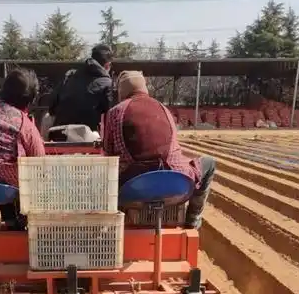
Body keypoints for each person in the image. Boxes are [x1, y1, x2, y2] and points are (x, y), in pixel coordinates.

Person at [103, 70, 215, 229]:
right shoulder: (163, 108)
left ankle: (112, 226)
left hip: (133, 187)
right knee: (209, 163)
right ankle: (192, 220)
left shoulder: (115, 112)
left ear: (121, 91)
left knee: (104, 173)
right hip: (176, 182)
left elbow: (108, 154)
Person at [47, 44, 114, 134]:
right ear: (107, 65)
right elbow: (110, 114)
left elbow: (51, 108)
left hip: (59, 133)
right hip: (88, 136)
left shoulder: (69, 76)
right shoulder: (107, 83)